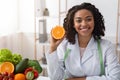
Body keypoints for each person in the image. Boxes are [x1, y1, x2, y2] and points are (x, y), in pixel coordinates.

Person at [46, 2, 120, 80]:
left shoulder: (107, 46)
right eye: (79, 20)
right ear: (73, 24)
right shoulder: (64, 45)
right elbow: (55, 78)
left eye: (88, 19)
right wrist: (52, 49)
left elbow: (115, 77)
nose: (84, 24)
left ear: (95, 21)